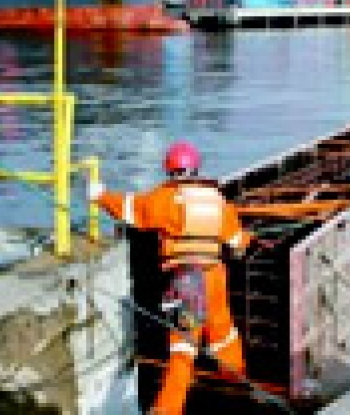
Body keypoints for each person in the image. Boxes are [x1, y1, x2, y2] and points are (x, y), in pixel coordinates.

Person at [88, 141, 255, 415]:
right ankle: (237, 384)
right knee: (223, 334)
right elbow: (238, 242)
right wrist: (247, 240)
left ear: (170, 170)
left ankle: (167, 410)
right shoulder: (216, 199)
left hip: (189, 280)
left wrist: (100, 196)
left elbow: (132, 209)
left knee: (183, 347)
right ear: (196, 168)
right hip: (215, 276)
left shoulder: (167, 198)